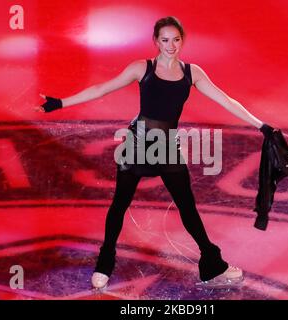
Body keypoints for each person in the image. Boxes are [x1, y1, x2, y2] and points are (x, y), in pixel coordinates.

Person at [36, 16, 275, 289]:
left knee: (187, 207)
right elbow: (102, 88)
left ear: (182, 40)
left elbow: (227, 101)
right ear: (155, 41)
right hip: (137, 143)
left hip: (167, 147)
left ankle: (212, 264)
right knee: (120, 204)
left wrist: (262, 125)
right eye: (164, 40)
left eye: (176, 39)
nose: (170, 45)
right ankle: (105, 262)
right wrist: (59, 103)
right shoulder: (143, 68)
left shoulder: (192, 73)